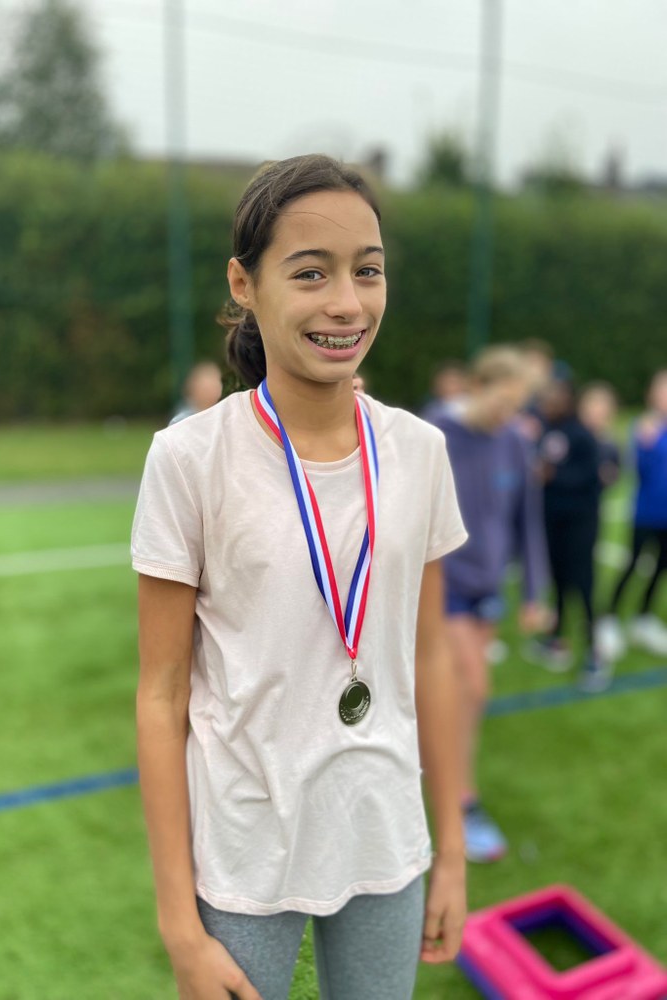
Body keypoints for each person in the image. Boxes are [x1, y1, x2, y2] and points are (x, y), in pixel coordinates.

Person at [132, 154, 469, 1000]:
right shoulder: (189, 459)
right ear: (244, 284)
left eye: (368, 271)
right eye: (311, 273)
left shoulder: (421, 452)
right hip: (245, 849)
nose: (346, 303)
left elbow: (430, 660)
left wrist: (451, 853)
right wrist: (179, 927)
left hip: (386, 838)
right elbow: (161, 696)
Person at [427, 346, 548, 863]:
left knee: (462, 698)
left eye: (518, 406)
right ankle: (461, 801)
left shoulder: (514, 441)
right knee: (472, 686)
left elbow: (527, 518)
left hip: (488, 586)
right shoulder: (435, 432)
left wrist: (535, 591)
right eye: (503, 402)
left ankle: (447, 780)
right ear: (477, 386)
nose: (509, 414)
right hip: (443, 584)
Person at [526, 379, 610, 691]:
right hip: (553, 521)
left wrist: (553, 476)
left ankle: (594, 654)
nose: (549, 403)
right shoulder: (548, 431)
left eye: (556, 398)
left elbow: (591, 477)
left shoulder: (583, 435)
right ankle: (557, 640)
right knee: (558, 580)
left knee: (583, 585)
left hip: (580, 523)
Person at [597, 370, 667, 660]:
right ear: (652, 394)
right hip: (646, 513)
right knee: (633, 565)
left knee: (661, 568)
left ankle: (644, 618)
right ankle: (609, 618)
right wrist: (646, 444)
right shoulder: (644, 426)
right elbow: (638, 470)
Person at [169, 360, 223, 425]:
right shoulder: (181, 421)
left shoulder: (224, 415)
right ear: (193, 388)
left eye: (214, 385)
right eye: (206, 388)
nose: (212, 392)